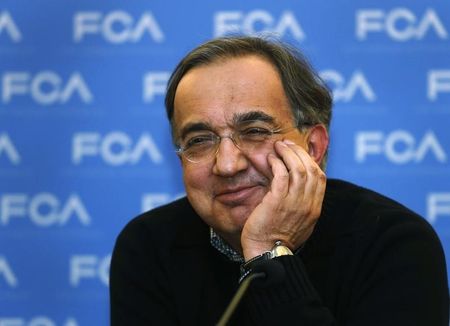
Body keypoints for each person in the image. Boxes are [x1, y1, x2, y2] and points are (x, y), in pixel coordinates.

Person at [109, 36, 449, 325]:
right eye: (199, 139)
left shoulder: (393, 242)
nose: (227, 165)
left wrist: (268, 256)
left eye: (255, 132)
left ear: (313, 145)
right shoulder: (148, 245)